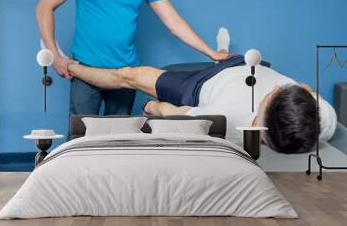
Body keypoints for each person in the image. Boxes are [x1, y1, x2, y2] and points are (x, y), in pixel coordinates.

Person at [36, 0, 229, 118]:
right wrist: (54, 56)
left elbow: (174, 23)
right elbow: (44, 7)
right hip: (85, 70)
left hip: (126, 74)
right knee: (80, 139)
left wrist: (212, 53)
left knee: (118, 140)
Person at [66, 41, 338, 154]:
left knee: (130, 75)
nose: (278, 88)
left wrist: (154, 107)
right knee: (230, 56)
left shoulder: (226, 123)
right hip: (249, 66)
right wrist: (302, 92)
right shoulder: (324, 120)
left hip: (198, 86)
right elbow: (304, 88)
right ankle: (221, 50)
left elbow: (171, 113)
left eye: (272, 95)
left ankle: (70, 65)